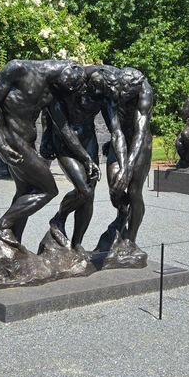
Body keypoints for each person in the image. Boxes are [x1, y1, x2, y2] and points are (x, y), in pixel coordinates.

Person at [0, 59, 88, 255]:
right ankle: (1, 226)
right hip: (14, 143)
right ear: (66, 69)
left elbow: (63, 127)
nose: (67, 90)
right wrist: (1, 144)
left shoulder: (53, 89)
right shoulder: (18, 69)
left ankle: (12, 245)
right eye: (69, 85)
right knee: (48, 190)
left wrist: (86, 158)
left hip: (27, 144)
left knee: (25, 194)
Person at [41, 65, 125, 253]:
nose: (95, 95)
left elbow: (116, 131)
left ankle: (77, 243)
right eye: (93, 90)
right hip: (64, 143)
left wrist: (123, 166)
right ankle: (58, 218)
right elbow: (64, 129)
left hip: (88, 140)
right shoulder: (66, 84)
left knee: (89, 197)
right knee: (84, 190)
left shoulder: (104, 90)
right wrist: (86, 159)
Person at [95, 66, 154, 266]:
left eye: (128, 93)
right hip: (119, 139)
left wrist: (129, 167)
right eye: (122, 91)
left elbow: (140, 131)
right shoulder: (113, 89)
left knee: (135, 191)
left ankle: (131, 238)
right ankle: (122, 214)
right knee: (115, 185)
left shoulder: (145, 91)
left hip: (140, 143)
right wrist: (122, 166)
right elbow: (116, 130)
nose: (123, 96)